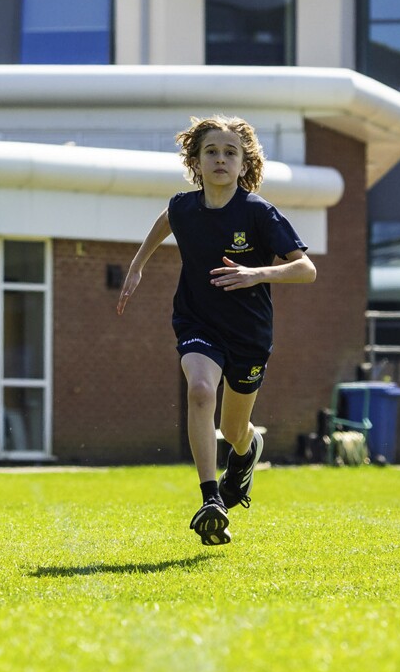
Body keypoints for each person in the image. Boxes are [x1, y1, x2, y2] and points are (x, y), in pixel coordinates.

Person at [116, 115, 315, 545]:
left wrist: (255, 273)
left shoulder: (258, 212)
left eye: (230, 153)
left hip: (249, 334)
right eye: (211, 152)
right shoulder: (185, 207)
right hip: (197, 321)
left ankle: (245, 455)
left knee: (236, 428)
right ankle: (211, 499)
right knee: (201, 391)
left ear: (244, 164)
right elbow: (166, 219)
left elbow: (306, 268)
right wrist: (137, 265)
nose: (220, 159)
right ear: (196, 161)